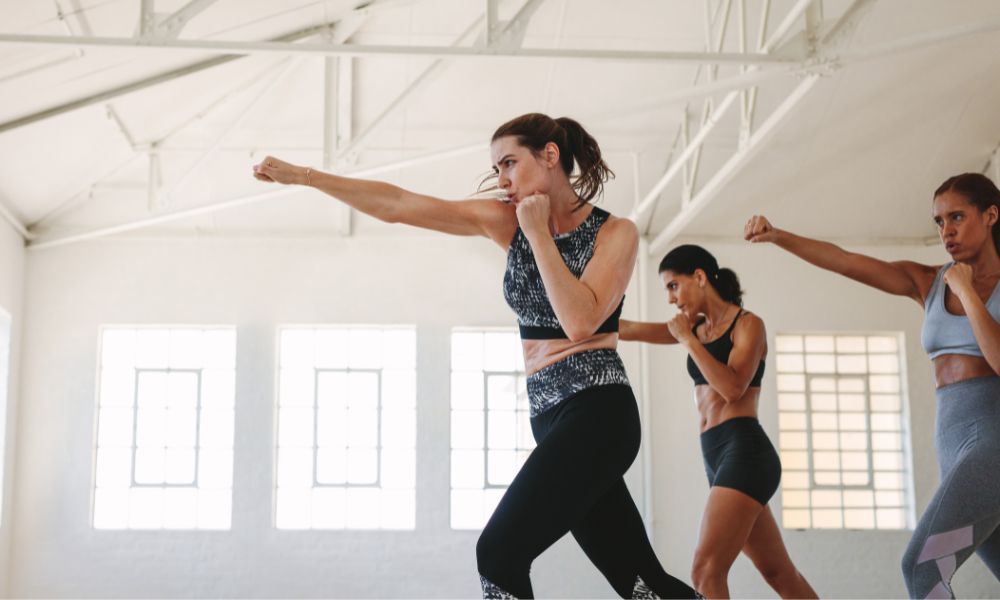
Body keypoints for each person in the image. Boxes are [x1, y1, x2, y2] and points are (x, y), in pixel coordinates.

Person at [252, 113, 698, 599]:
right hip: (550, 418)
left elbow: (580, 322)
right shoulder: (506, 221)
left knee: (499, 554)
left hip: (599, 413)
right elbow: (399, 204)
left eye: (510, 163)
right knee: (643, 586)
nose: (502, 180)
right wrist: (305, 177)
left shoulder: (616, 233)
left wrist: (540, 236)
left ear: (550, 156)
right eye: (497, 168)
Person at [744, 172, 1000, 598]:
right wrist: (779, 237)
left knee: (922, 568)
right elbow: (845, 261)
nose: (946, 231)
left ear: (991, 215)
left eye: (957, 216)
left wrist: (968, 291)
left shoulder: (963, 283)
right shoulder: (927, 282)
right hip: (954, 450)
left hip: (992, 443)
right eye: (938, 221)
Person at [619, 244, 817, 600]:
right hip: (717, 456)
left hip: (746, 452)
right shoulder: (694, 328)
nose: (670, 299)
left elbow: (731, 387)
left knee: (705, 570)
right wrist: (574, 322)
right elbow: (629, 328)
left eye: (673, 285)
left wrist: (687, 340)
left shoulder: (748, 324)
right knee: (779, 573)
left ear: (699, 277)